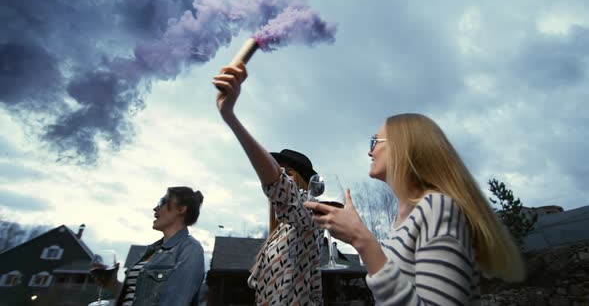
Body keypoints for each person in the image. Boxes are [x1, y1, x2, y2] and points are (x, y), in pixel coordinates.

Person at [305, 113, 525, 305]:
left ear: (402, 147)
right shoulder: (406, 219)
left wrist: (361, 240)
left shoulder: (437, 208)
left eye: (375, 141)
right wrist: (358, 234)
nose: (369, 152)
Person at [213, 63, 323, 305]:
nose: (278, 175)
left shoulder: (311, 215)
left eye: (287, 172)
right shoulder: (278, 232)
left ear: (302, 182)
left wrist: (230, 117)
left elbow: (282, 190)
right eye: (278, 169)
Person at [95, 186, 205, 306]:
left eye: (162, 202)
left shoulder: (191, 249)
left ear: (181, 209)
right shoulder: (151, 250)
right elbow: (137, 295)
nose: (155, 208)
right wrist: (112, 283)